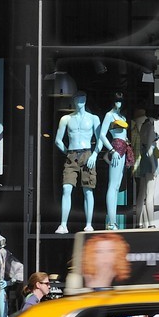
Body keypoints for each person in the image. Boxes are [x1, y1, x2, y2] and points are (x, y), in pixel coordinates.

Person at [54, 93, 100, 233]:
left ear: (85, 100)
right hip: (72, 154)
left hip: (88, 154)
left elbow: (100, 139)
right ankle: (63, 224)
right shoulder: (66, 119)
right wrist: (67, 152)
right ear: (73, 100)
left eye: (82, 98)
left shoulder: (93, 118)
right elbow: (58, 140)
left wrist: (95, 155)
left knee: (88, 190)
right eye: (77, 98)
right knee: (66, 188)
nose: (79, 101)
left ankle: (89, 224)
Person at [98, 96, 134, 228]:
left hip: (123, 149)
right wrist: (111, 150)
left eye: (121, 101)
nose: (119, 103)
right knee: (113, 185)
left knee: (117, 185)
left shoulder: (122, 117)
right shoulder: (109, 115)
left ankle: (113, 221)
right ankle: (111, 221)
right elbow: (102, 134)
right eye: (117, 100)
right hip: (116, 149)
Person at [130, 104, 159, 227]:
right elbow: (148, 148)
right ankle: (151, 224)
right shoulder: (150, 126)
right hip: (150, 159)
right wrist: (153, 167)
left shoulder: (143, 126)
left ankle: (138, 222)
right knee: (150, 194)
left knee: (142, 193)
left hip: (144, 160)